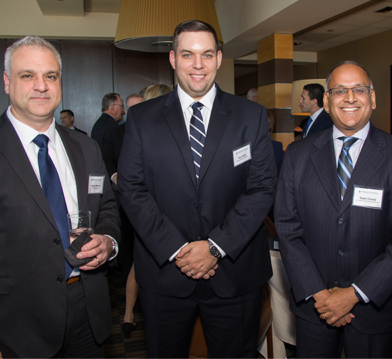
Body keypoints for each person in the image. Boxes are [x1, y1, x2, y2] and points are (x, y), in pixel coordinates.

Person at [0, 36, 121, 358]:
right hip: (10, 325)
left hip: (87, 314)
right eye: (27, 75)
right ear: (7, 82)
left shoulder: (85, 146)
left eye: (50, 76)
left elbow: (106, 207)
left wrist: (108, 240)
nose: (41, 86)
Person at [117, 20, 277, 358]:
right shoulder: (142, 119)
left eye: (206, 54)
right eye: (188, 54)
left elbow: (261, 188)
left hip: (235, 274)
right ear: (173, 59)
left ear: (219, 58)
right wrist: (178, 249)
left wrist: (216, 247)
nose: (198, 65)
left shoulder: (251, 116)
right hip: (165, 276)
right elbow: (133, 190)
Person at [274, 61, 392, 359]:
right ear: (327, 101)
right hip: (313, 307)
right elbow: (288, 229)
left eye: (359, 89)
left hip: (373, 310)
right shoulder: (298, 155)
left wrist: (353, 295)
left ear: (373, 98)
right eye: (340, 90)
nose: (350, 97)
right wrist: (321, 296)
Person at [102, 84, 173, 340]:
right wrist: (118, 177)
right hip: (139, 206)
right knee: (139, 259)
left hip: (166, 211)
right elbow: (109, 159)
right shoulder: (125, 131)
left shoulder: (177, 132)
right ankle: (130, 313)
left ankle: (137, 313)